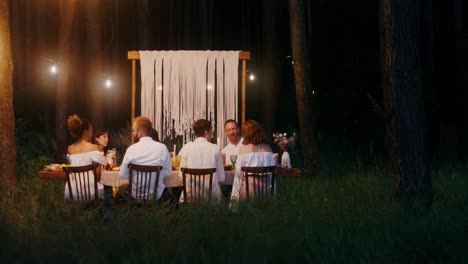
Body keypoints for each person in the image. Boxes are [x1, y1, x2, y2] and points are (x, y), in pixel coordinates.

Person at [119, 116, 172, 200]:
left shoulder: (131, 149)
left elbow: (122, 175)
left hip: (136, 197)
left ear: (140, 132)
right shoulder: (162, 148)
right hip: (156, 197)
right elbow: (168, 172)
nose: (132, 133)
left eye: (133, 130)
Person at [178, 119, 225, 202]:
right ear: (206, 132)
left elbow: (181, 176)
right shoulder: (215, 148)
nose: (212, 134)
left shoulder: (187, 148)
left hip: (190, 196)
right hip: (211, 197)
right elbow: (221, 177)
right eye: (211, 131)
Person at [230, 120, 276, 203]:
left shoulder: (244, 150)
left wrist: (234, 202)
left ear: (246, 134)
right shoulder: (268, 149)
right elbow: (273, 173)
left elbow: (238, 175)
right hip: (266, 191)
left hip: (249, 190)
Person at [65, 114, 105, 201]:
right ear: (86, 132)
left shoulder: (70, 149)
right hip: (91, 192)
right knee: (107, 193)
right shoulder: (94, 148)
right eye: (91, 130)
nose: (92, 133)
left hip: (73, 191)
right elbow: (98, 175)